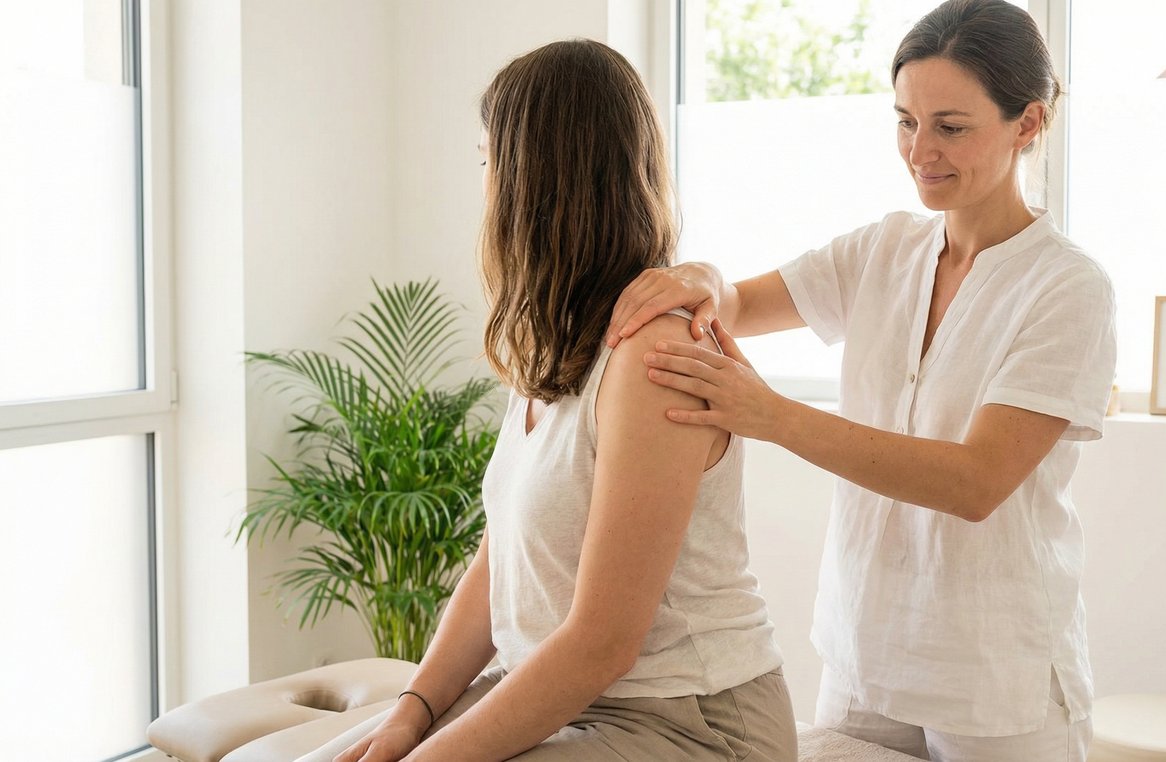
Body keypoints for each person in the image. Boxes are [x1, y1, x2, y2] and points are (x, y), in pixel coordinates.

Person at [606, 1, 1116, 760]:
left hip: (995, 676)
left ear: (1028, 123)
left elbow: (975, 483)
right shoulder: (884, 249)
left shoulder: (1067, 288)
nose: (920, 151)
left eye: (951, 127)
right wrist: (703, 277)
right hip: (863, 655)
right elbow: (738, 303)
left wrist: (770, 415)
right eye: (905, 121)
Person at [301, 39, 796, 762]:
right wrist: (412, 711)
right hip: (555, 693)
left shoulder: (653, 355)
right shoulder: (558, 341)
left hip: (687, 721)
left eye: (487, 162)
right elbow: (501, 559)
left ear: (532, 179)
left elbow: (602, 644)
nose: (482, 187)